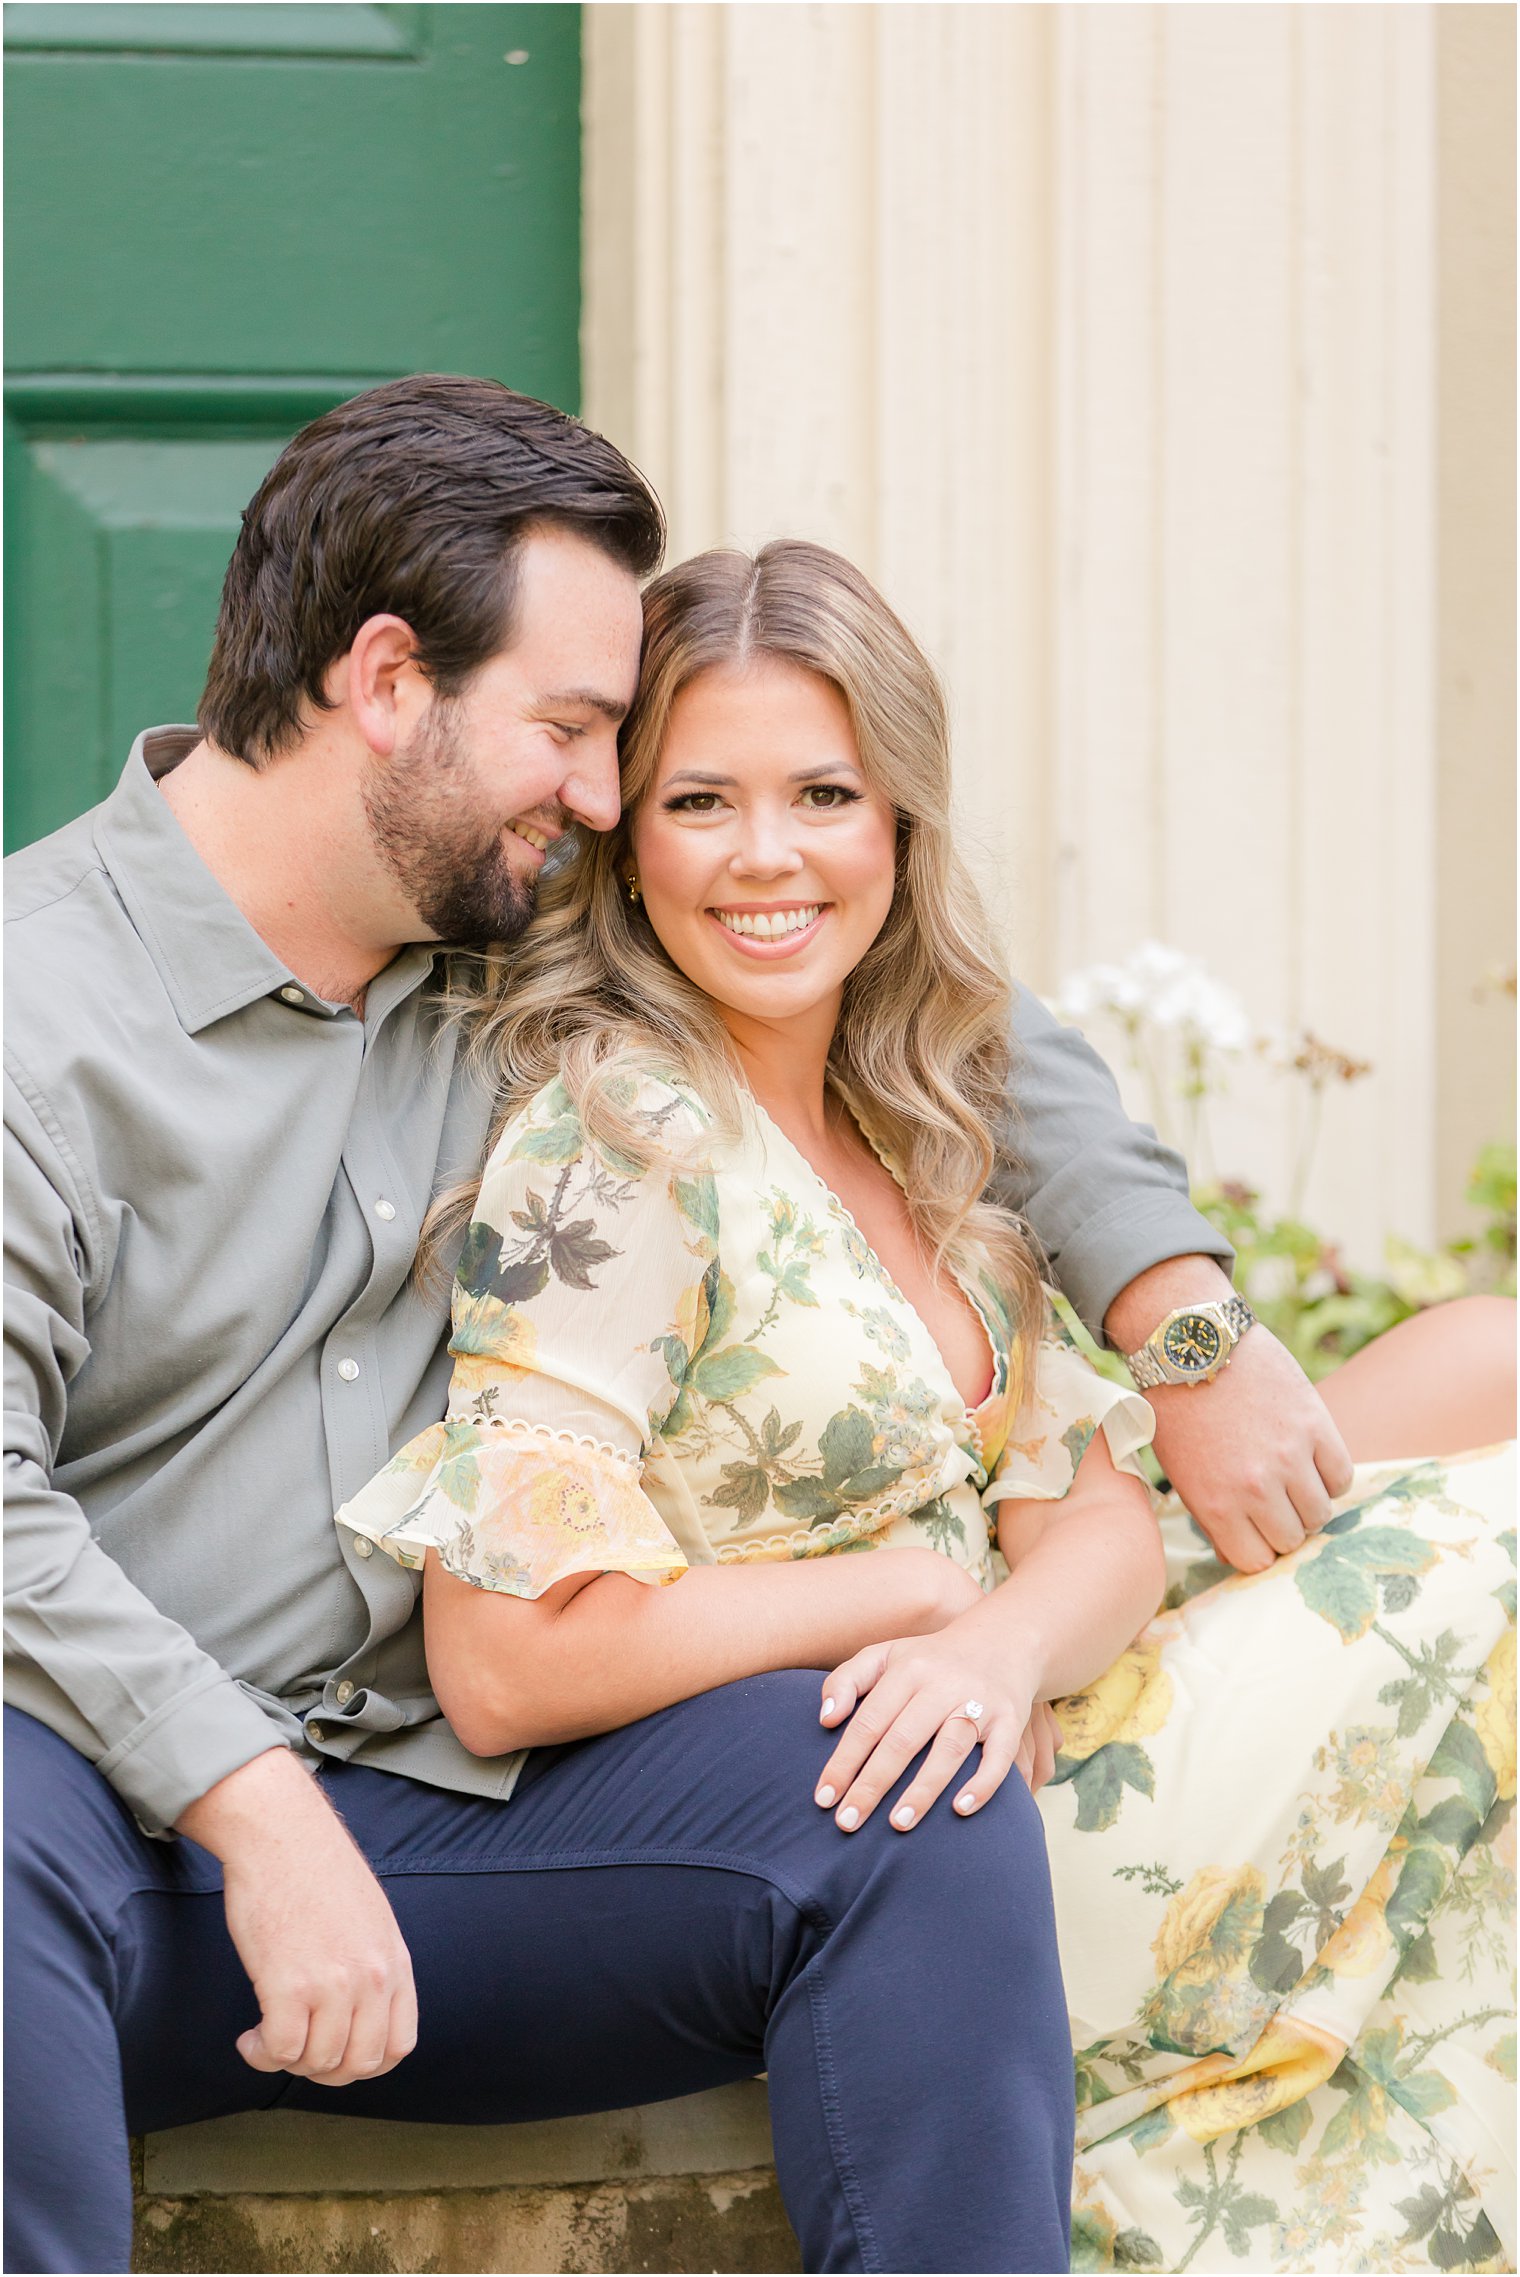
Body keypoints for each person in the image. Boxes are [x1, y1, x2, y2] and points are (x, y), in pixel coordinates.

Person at [0, 374, 1390, 2277]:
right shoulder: (31, 1019)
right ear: (388, 679)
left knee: (916, 1801)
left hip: (450, 1832)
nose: (599, 792)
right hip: (103, 1848)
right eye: (573, 731)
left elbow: (941, 1004)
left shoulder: (502, 936)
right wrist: (248, 1806)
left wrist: (1176, 1308)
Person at [335, 538, 1517, 2273]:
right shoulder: (626, 1137)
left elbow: (1092, 1515)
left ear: (901, 823)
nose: (767, 856)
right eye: (699, 800)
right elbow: (504, 1663)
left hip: (1034, 1700)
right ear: (625, 839)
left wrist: (1003, 1641)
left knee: (1488, 1350)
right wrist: (905, 1605)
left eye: (825, 792)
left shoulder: (916, 1124)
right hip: (943, 1841)